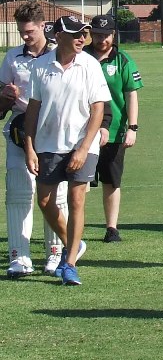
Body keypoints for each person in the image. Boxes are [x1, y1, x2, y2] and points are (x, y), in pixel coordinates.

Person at [24, 16, 111, 285]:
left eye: (83, 34)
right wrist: (29, 146)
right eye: (75, 34)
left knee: (76, 201)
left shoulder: (90, 65)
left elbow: (98, 109)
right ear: (58, 35)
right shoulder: (40, 66)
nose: (82, 39)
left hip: (82, 144)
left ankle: (70, 262)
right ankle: (72, 243)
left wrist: (84, 148)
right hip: (48, 144)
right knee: (45, 202)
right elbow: (33, 109)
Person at [0, 1, 69, 278]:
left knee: (56, 194)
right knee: (18, 192)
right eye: (22, 32)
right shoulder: (12, 57)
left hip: (55, 133)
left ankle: (55, 254)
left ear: (43, 26)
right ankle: (19, 257)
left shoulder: (59, 54)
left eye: (30, 31)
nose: (25, 36)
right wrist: (4, 97)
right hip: (19, 132)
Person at [84, 14, 143, 243]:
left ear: (113, 35)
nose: (101, 40)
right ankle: (76, 225)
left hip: (116, 130)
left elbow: (131, 94)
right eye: (97, 35)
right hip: (83, 131)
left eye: (106, 35)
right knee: (82, 181)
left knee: (111, 180)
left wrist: (133, 127)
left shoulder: (123, 60)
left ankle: (111, 228)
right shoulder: (81, 57)